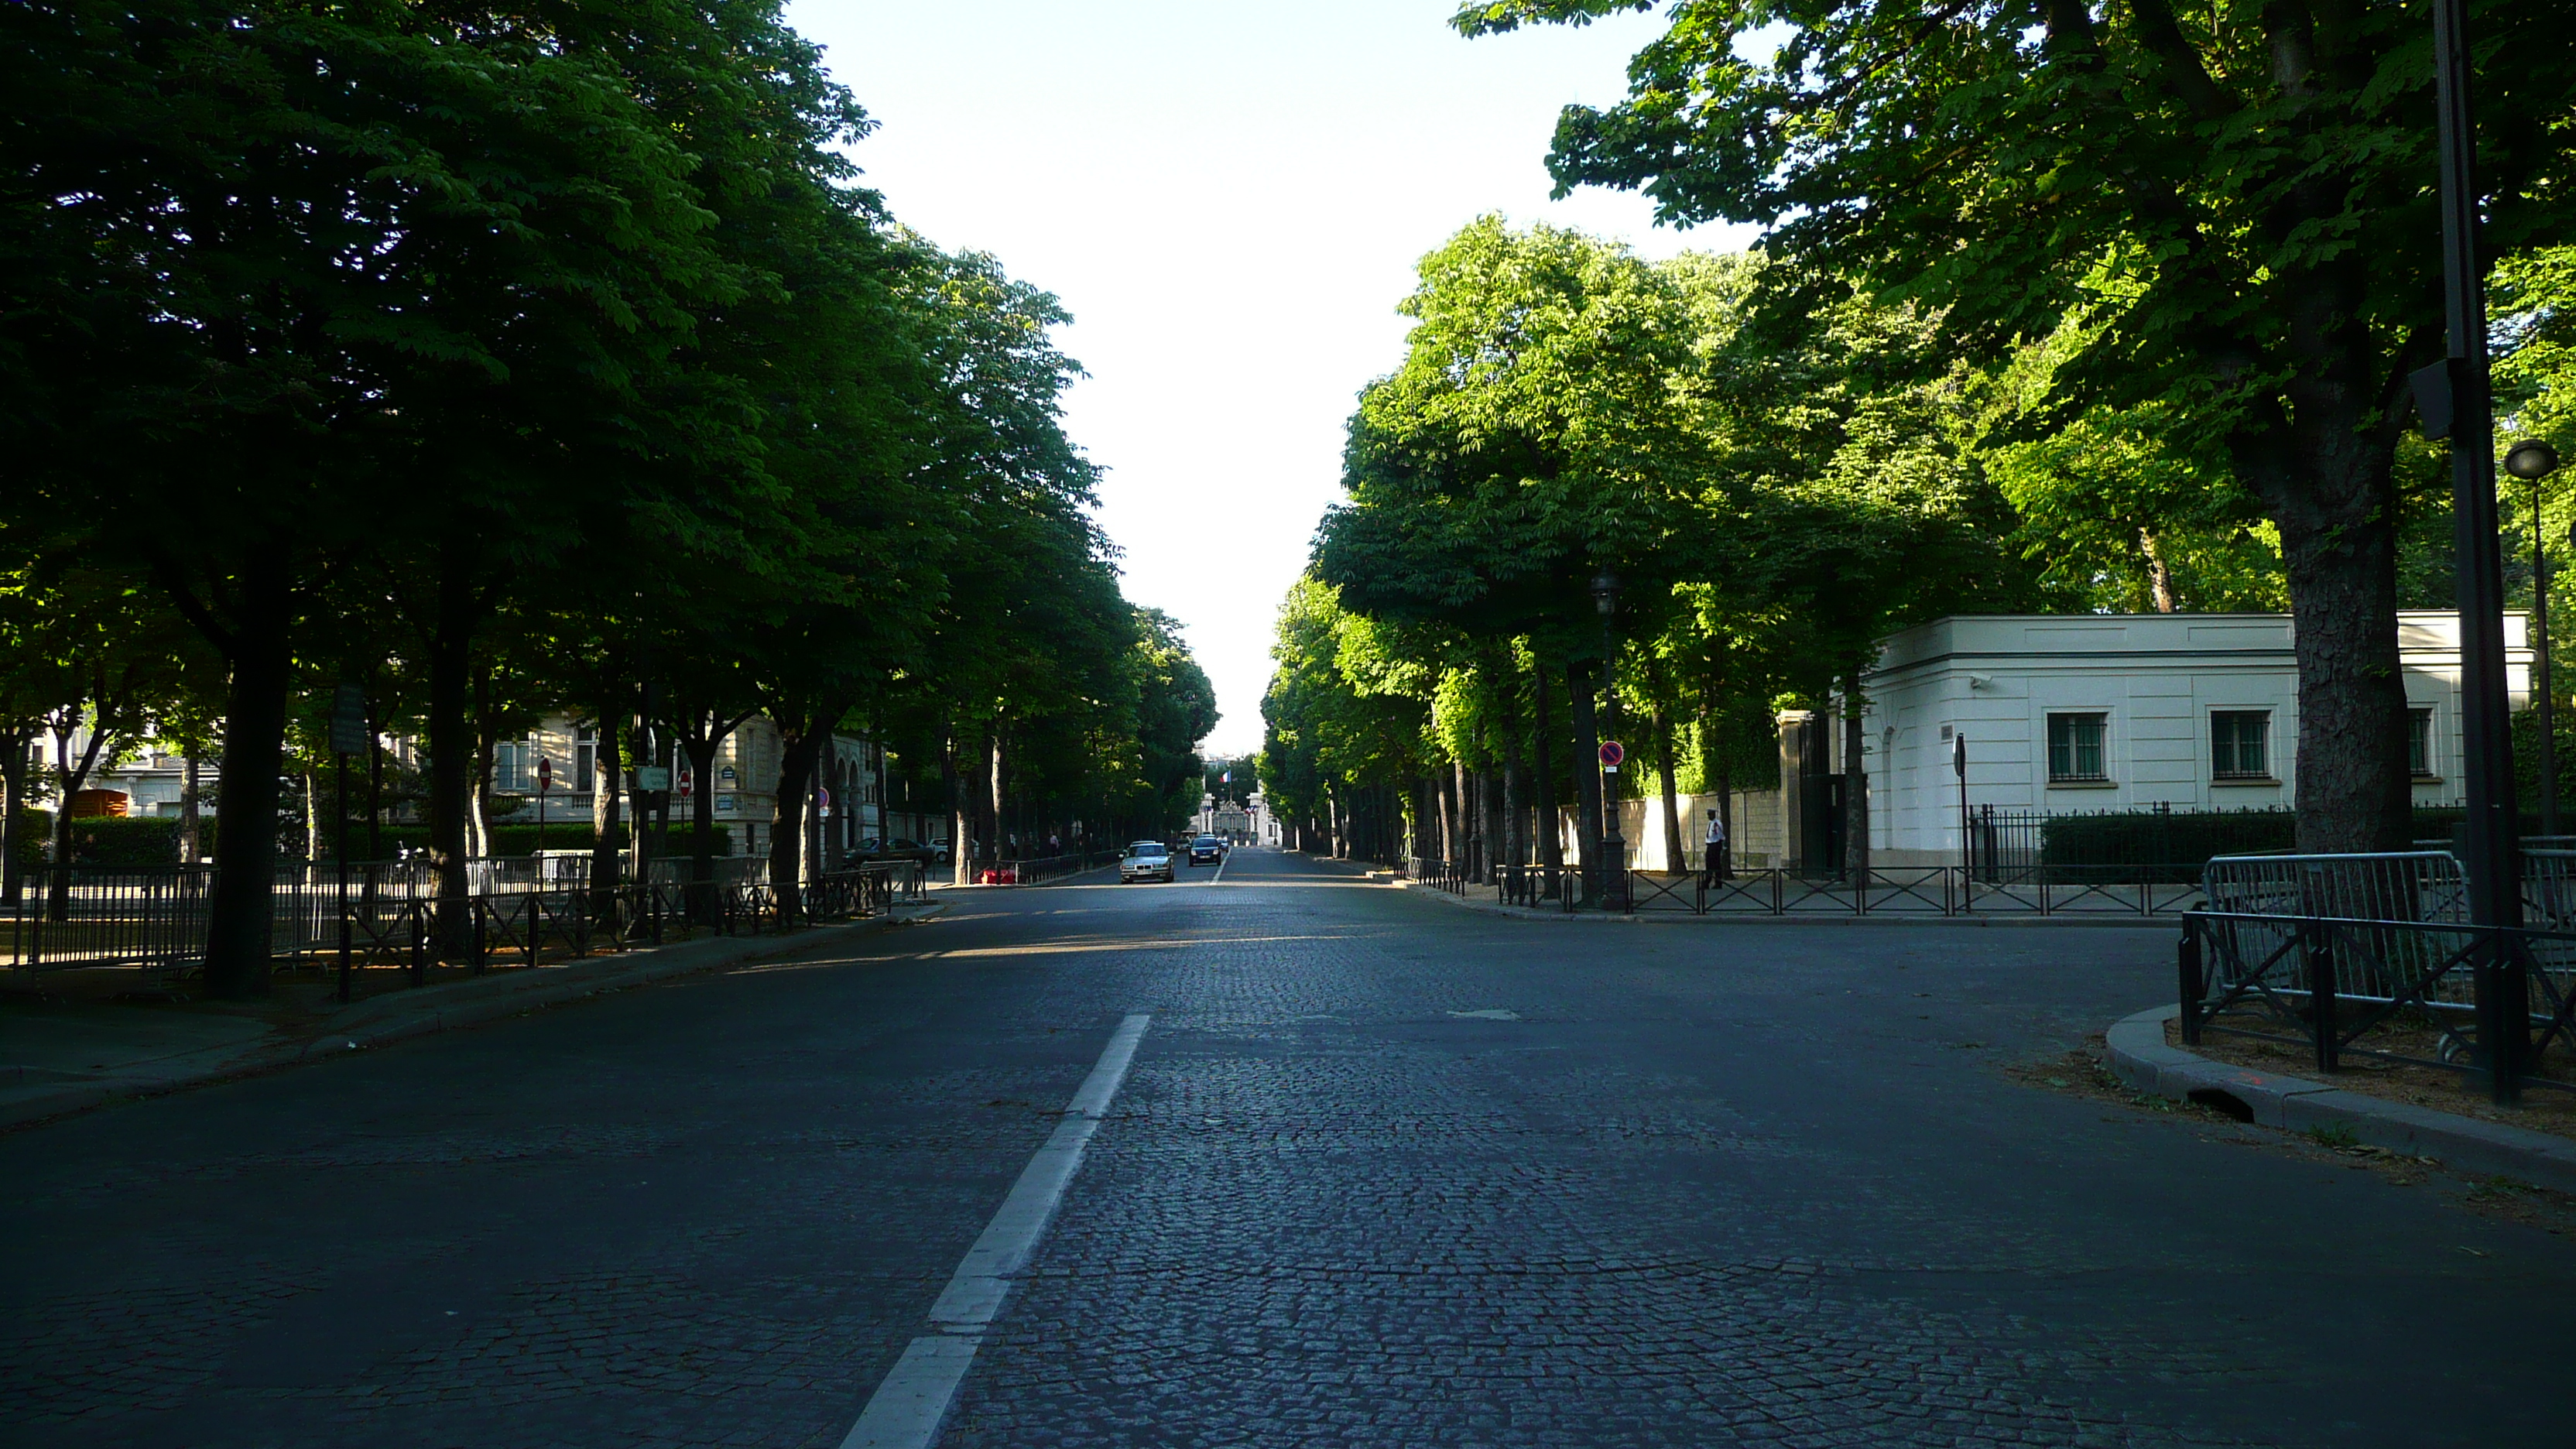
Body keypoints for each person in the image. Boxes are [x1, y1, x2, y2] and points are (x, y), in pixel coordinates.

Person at [1701, 808, 1730, 886]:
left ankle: (1718, 883)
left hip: (1715, 845)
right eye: (1708, 815)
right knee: (1709, 864)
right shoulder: (1710, 823)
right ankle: (1708, 881)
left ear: (1714, 814)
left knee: (1716, 864)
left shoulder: (1717, 823)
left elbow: (1720, 835)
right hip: (1710, 845)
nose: (1709, 816)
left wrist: (1721, 845)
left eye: (1710, 814)